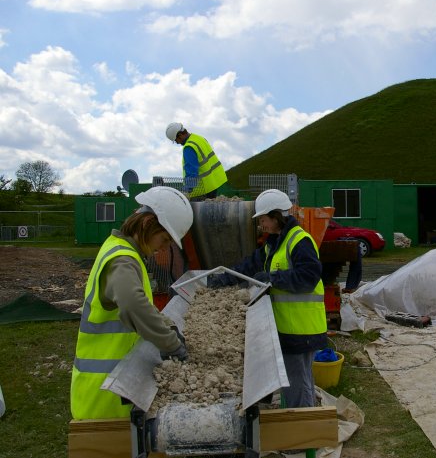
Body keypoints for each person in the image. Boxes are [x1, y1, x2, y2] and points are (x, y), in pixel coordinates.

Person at [71, 186, 193, 420]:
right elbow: (134, 305)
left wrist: (167, 325)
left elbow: (139, 306)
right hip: (105, 399)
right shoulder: (123, 260)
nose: (163, 247)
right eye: (164, 238)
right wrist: (171, 344)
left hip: (114, 388)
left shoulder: (120, 250)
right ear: (147, 223)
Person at [209, 189, 327, 408]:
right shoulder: (274, 243)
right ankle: (306, 425)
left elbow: (308, 278)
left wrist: (273, 279)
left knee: (296, 382)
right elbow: (249, 264)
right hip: (290, 326)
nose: (260, 223)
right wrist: (223, 279)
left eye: (263, 219)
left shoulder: (300, 241)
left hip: (302, 328)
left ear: (276, 217)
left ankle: (301, 434)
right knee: (300, 380)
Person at [165, 122, 227, 200]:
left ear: (180, 135)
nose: (177, 143)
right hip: (213, 185)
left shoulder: (189, 147)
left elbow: (191, 172)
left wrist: (186, 191)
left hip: (201, 191)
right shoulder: (199, 138)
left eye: (176, 140)